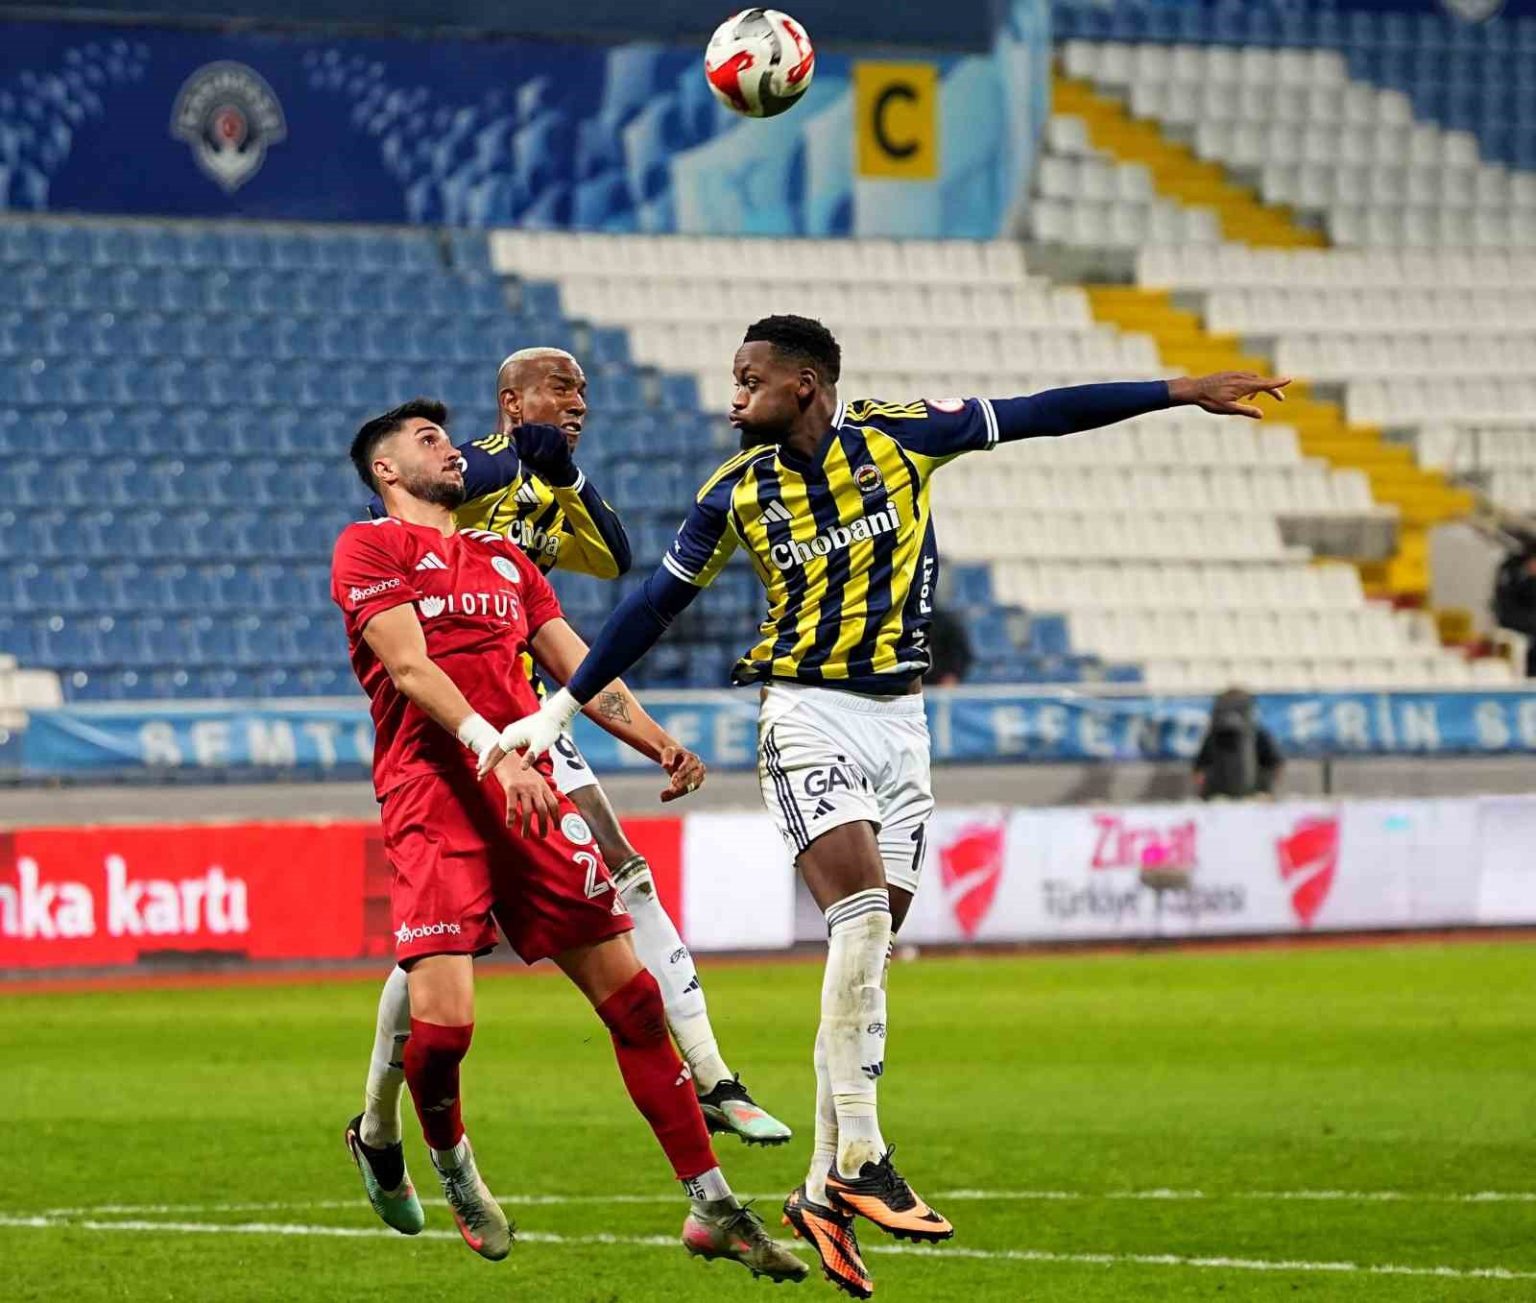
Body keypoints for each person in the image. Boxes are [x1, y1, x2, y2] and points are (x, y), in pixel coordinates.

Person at [487, 315, 1290, 1299]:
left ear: (805, 384)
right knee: (861, 916)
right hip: (806, 713)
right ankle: (864, 1156)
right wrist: (560, 706)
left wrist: (1178, 391)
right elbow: (651, 603)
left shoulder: (900, 438)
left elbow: (1040, 412)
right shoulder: (734, 491)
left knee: (865, 956)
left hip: (903, 726)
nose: (733, 396)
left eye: (749, 379)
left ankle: (821, 1190)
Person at [330, 397, 805, 1283]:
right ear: (386, 469)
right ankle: (453, 1165)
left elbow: (580, 667)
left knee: (635, 1005)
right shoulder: (370, 547)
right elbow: (408, 666)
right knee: (447, 1029)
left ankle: (713, 1204)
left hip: (530, 799)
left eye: (447, 436)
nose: (450, 448)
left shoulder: (505, 558)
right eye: (428, 440)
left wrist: (657, 741)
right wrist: (499, 753)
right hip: (435, 796)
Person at [1191, 688, 1284, 800]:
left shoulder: (1256, 734)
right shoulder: (1256, 733)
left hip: (1229, 796)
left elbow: (1199, 770)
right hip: (1239, 796)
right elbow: (1275, 763)